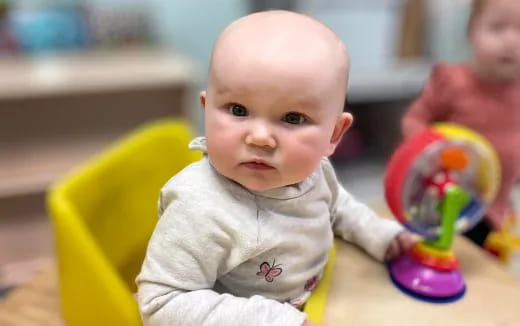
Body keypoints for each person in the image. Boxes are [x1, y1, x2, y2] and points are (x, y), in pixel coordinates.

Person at [137, 10, 415, 326]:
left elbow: (336, 205)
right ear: (207, 111)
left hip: (318, 296)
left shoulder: (310, 171)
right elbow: (160, 304)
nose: (260, 138)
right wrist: (274, 319)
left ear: (333, 134)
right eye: (238, 110)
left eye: (293, 118)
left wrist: (377, 234)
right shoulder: (201, 209)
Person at [402, 0, 520, 247]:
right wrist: (432, 151)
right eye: (497, 28)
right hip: (441, 196)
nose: (510, 41)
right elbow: (414, 119)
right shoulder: (451, 81)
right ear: (471, 32)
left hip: (494, 207)